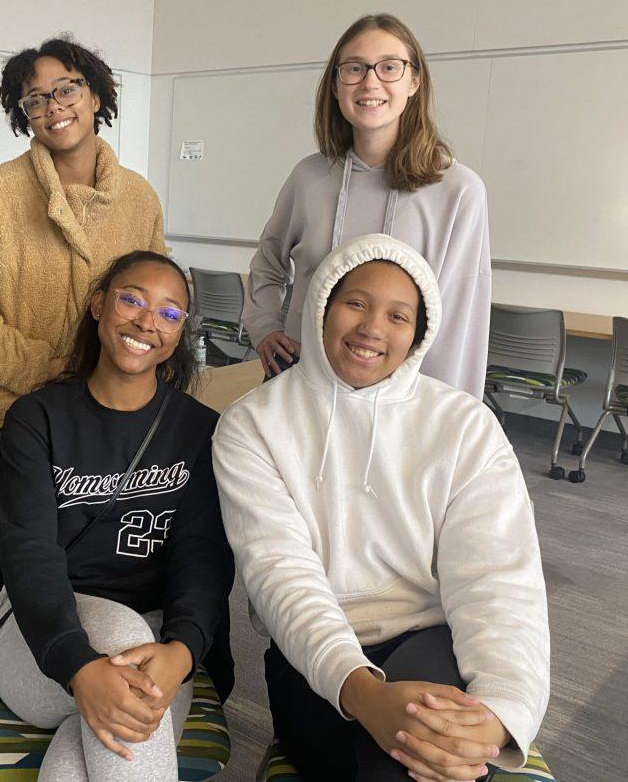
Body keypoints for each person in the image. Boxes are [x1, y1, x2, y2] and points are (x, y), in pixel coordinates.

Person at [214, 234, 549, 781]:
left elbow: (499, 577)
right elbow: (280, 575)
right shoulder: (253, 424)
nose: (373, 328)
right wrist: (365, 695)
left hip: (433, 640)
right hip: (315, 662)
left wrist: (499, 712)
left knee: (425, 754)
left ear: (418, 333)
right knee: (401, 763)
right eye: (356, 303)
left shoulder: (464, 425)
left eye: (399, 315)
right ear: (322, 305)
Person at [0, 37, 165, 656]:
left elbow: (149, 291)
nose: (53, 106)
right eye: (34, 99)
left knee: (50, 541)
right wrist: (41, 366)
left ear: (96, 94)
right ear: (21, 114)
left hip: (70, 406)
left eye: (67, 88)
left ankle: (44, 664)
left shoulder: (137, 198)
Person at [0, 250, 234, 780]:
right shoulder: (38, 418)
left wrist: (183, 651)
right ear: (99, 305)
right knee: (124, 651)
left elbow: (203, 555)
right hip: (37, 638)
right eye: (132, 300)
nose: (148, 321)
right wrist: (78, 664)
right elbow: (28, 554)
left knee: (81, 761)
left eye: (170, 313)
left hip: (157, 652)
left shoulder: (199, 430)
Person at [243, 13, 491, 397]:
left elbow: (458, 323)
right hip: (301, 389)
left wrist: (442, 419)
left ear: (414, 81)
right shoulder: (309, 177)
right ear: (335, 85)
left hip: (394, 406)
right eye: (354, 68)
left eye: (389, 67)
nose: (370, 81)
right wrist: (265, 327)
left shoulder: (458, 191)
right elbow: (268, 261)